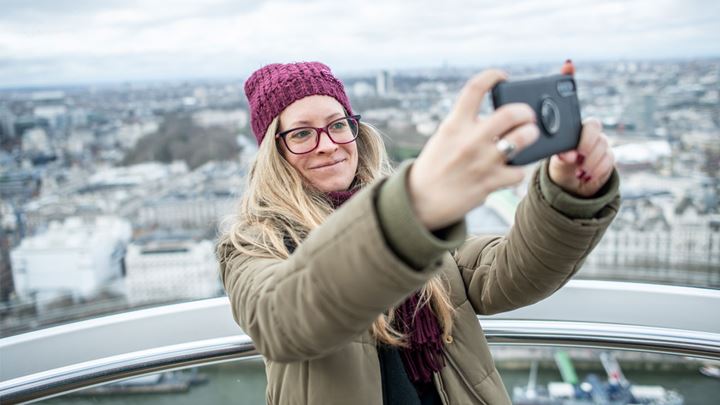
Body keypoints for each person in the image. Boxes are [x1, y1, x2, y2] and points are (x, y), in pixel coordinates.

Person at [216, 61, 620, 404]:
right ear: (275, 150)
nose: (327, 144)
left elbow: (512, 272)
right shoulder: (254, 243)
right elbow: (283, 318)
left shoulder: (422, 233)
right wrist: (409, 210)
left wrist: (566, 195)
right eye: (302, 133)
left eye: (338, 124)